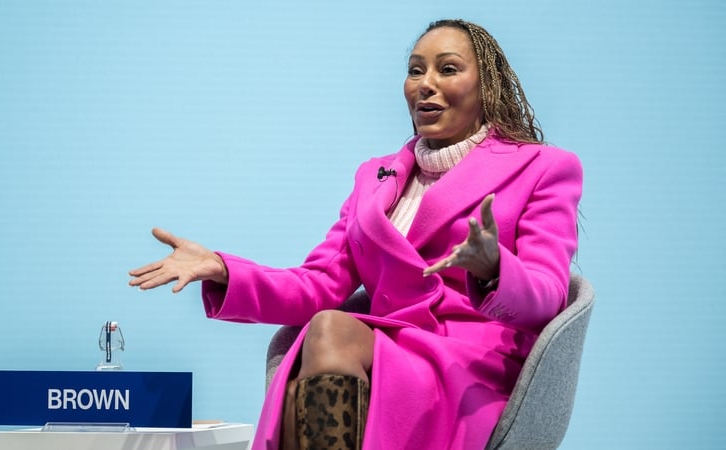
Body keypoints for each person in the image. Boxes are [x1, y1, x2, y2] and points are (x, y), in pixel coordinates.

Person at [129, 18, 583, 450]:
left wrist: (494, 269)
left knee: (330, 334)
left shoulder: (543, 167)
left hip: (469, 369)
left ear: (488, 86)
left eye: (448, 69)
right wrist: (225, 270)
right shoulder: (374, 178)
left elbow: (547, 296)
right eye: (414, 70)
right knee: (323, 335)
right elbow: (319, 284)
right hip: (383, 353)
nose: (425, 83)